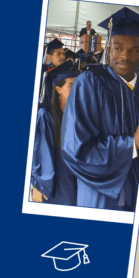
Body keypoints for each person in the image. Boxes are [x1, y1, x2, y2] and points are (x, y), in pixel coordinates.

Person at [61, 8, 139, 211]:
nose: (125, 56)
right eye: (118, 48)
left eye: (133, 50)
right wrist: (132, 144)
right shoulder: (90, 83)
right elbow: (75, 148)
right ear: (108, 48)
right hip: (102, 193)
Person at [31, 61, 78, 205]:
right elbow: (41, 152)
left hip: (77, 177)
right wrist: (38, 184)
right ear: (58, 89)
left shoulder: (79, 114)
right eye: (71, 86)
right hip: (58, 179)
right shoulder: (45, 115)